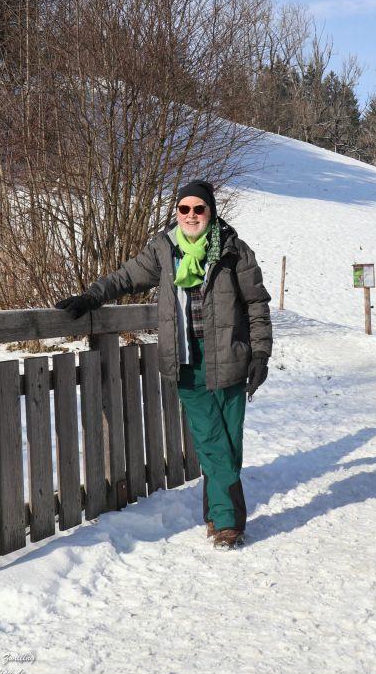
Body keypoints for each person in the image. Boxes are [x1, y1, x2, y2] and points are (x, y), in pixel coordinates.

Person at [55, 179, 273, 549]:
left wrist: (261, 354)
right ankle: (227, 522)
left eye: (198, 209)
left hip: (232, 360)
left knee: (229, 443)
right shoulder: (163, 249)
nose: (191, 216)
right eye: (184, 209)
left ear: (211, 212)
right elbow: (126, 276)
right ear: (176, 213)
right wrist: (92, 296)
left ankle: (214, 510)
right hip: (187, 363)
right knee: (211, 440)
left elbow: (257, 305)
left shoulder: (235, 252)